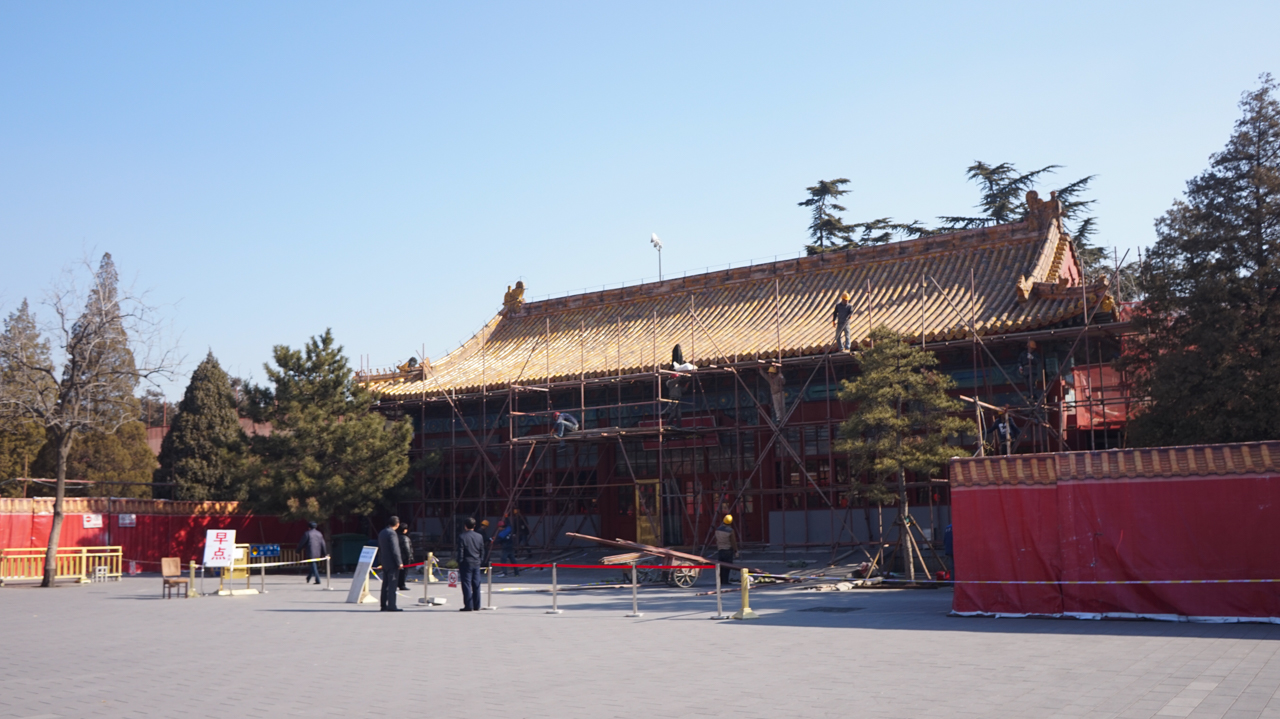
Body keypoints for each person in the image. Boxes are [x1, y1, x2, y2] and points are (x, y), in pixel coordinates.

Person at [456, 517, 485, 611]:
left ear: (465, 526)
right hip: (476, 562)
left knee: (466, 584)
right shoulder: (479, 536)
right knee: (476, 584)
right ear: (474, 526)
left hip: (466, 562)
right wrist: (480, 560)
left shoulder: (462, 536)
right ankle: (477, 605)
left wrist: (459, 562)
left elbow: (461, 551)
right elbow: (482, 550)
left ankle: (468, 605)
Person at [377, 517, 403, 612]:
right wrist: (399, 562)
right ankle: (392, 605)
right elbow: (395, 549)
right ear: (397, 524)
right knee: (392, 584)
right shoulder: (392, 533)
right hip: (392, 562)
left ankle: (383, 605)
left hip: (385, 561)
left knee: (385, 584)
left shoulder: (382, 532)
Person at [297, 521, 326, 585]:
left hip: (310, 552)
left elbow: (301, 543)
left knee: (313, 565)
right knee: (314, 566)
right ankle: (309, 577)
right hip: (318, 552)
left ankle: (318, 580)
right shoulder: (319, 534)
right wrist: (324, 553)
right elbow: (323, 544)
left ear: (309, 527)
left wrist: (298, 551)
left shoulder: (307, 533)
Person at [714, 514, 738, 586]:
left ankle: (720, 580)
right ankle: (725, 581)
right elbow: (733, 542)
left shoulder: (718, 530)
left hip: (720, 550)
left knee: (721, 566)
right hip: (728, 550)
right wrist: (736, 550)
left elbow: (716, 540)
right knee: (727, 566)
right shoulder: (730, 531)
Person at [396, 524, 415, 591]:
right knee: (404, 572)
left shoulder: (395, 537)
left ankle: (397, 583)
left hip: (397, 556)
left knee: (398, 572)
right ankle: (402, 585)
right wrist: (410, 556)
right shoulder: (405, 538)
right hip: (404, 557)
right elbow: (407, 548)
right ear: (404, 530)